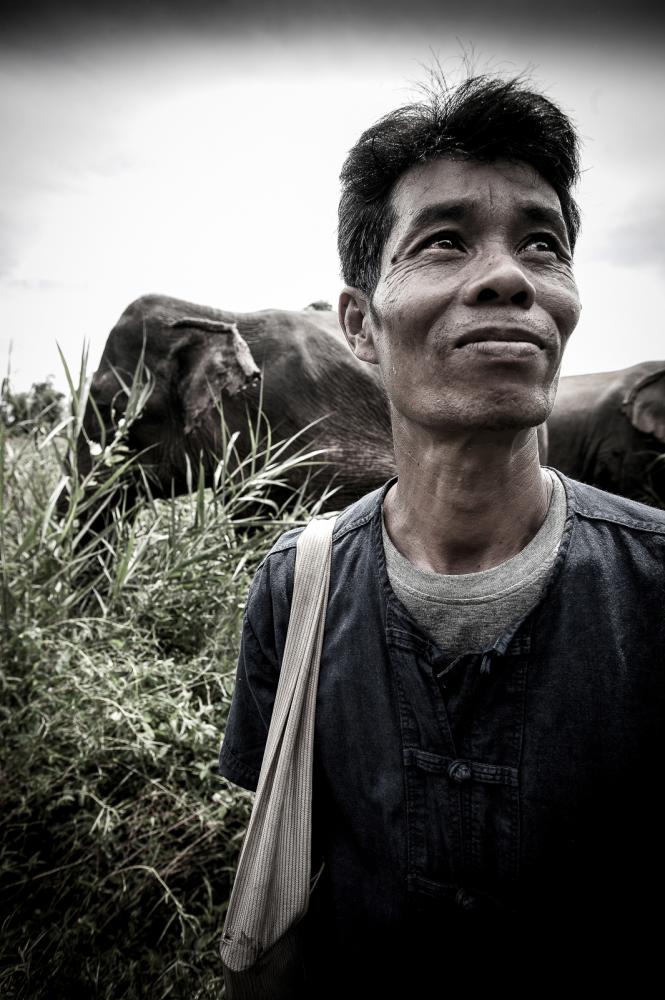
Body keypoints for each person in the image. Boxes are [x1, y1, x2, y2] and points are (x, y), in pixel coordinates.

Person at [219, 75, 665, 995]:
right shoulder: (294, 588)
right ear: (359, 328)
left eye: (542, 244)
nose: (509, 275)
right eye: (444, 241)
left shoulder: (654, 586)